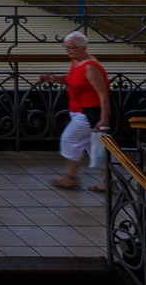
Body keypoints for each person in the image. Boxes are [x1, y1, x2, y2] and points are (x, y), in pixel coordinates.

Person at [41, 30, 111, 192]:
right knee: (95, 148)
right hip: (79, 110)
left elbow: (103, 94)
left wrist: (105, 118)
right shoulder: (76, 62)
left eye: (71, 48)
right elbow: (70, 79)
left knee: (69, 139)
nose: (68, 50)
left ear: (82, 48)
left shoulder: (90, 67)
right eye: (66, 47)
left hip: (89, 114)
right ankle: (107, 182)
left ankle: (71, 178)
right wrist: (51, 78)